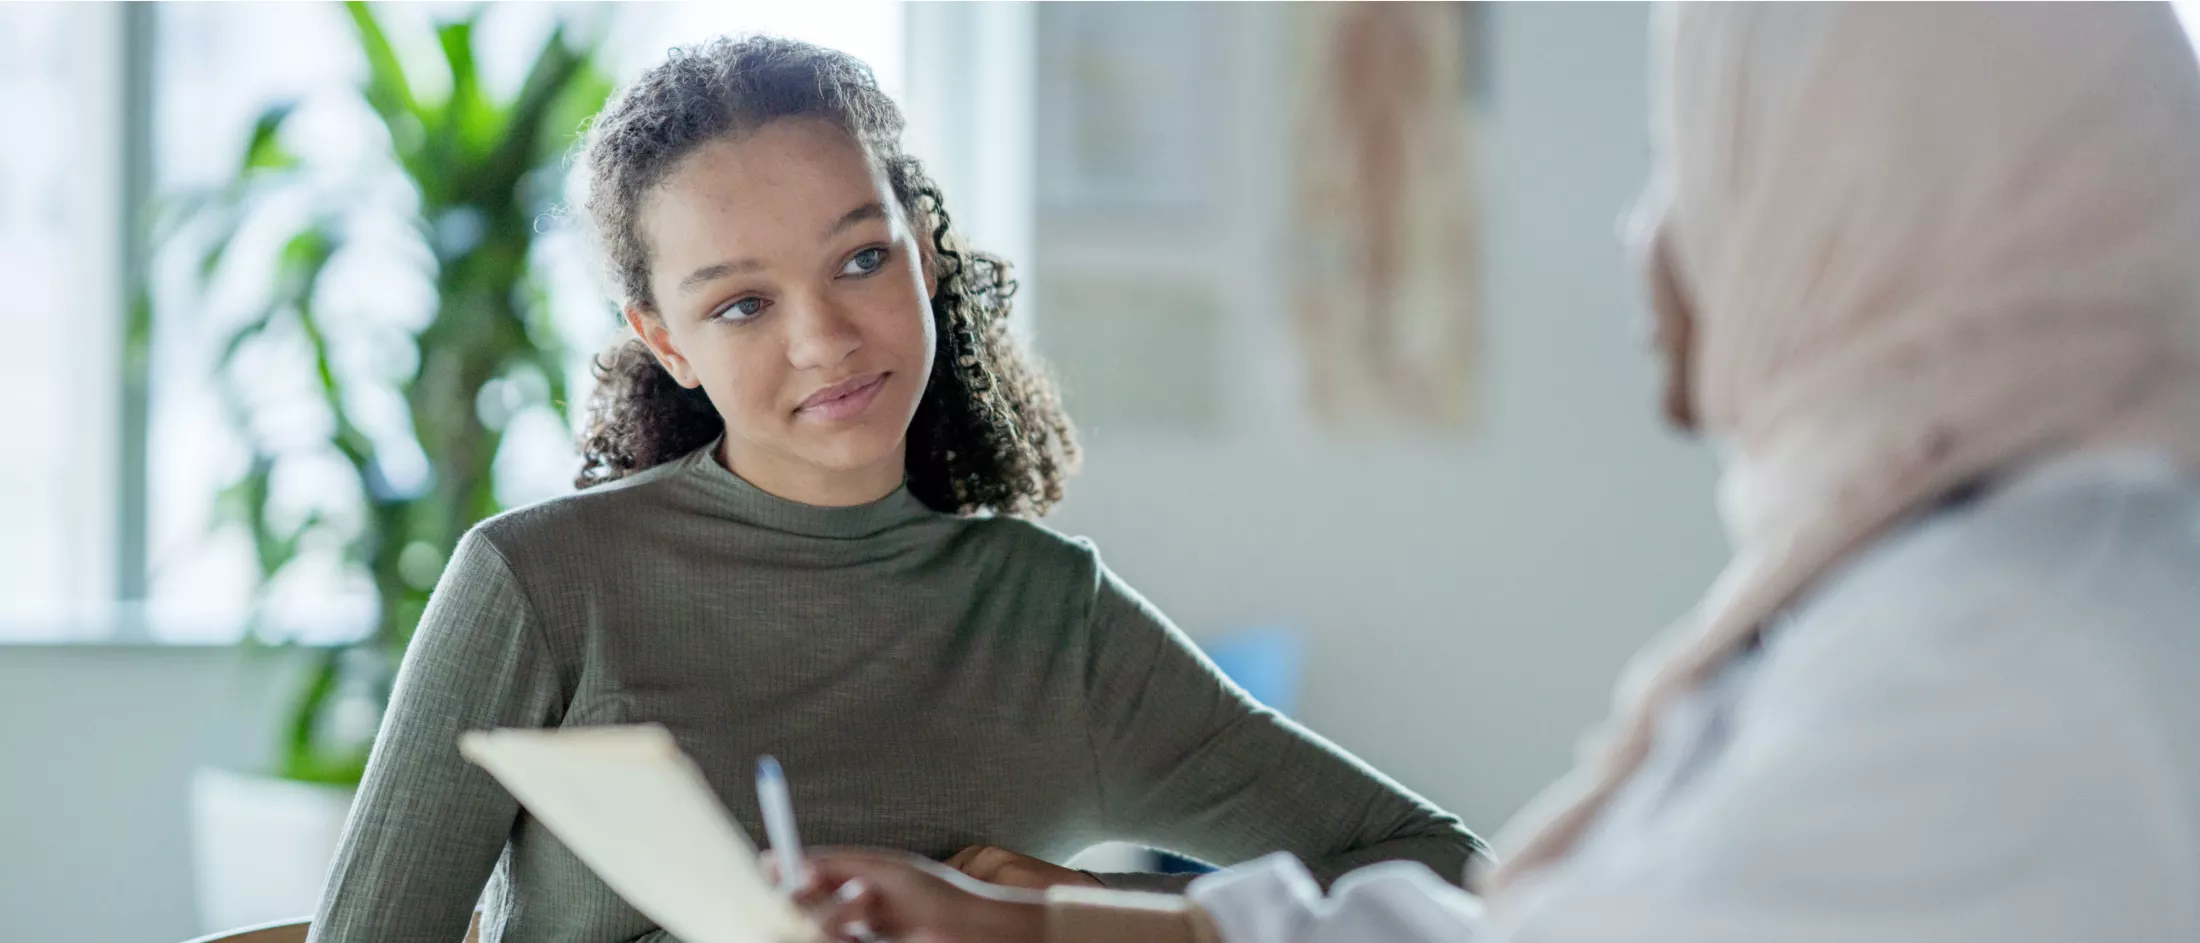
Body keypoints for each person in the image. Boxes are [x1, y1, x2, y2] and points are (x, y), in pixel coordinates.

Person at [787, 4, 2200, 941]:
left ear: (1878, 202)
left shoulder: (2007, 662)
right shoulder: (2011, 574)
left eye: (1699, 163)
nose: (1648, 240)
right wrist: (1050, 923)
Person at [305, 35, 1483, 943]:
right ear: (665, 341)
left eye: (861, 259)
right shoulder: (540, 584)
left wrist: (1077, 917)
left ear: (923, 251)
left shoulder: (1049, 620)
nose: (826, 339)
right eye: (741, 304)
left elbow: (1446, 873)